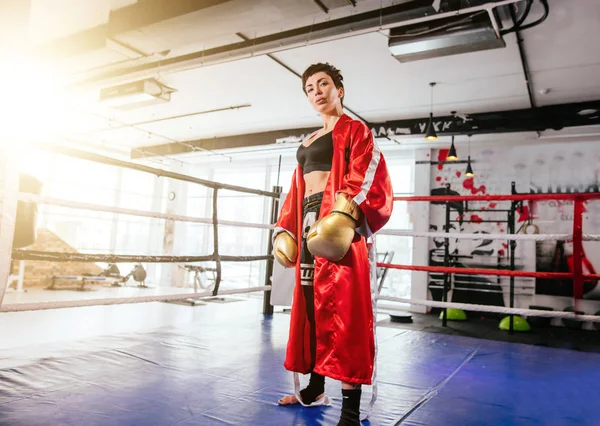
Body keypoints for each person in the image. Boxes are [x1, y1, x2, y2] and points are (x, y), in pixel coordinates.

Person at [272, 62, 394, 426]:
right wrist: (285, 228)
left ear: (339, 90)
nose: (317, 91)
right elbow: (296, 190)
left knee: (346, 313)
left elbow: (366, 172)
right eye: (310, 88)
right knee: (311, 308)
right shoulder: (306, 142)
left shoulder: (356, 130)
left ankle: (350, 411)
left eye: (323, 84)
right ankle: (314, 387)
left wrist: (343, 216)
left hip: (338, 227)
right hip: (308, 222)